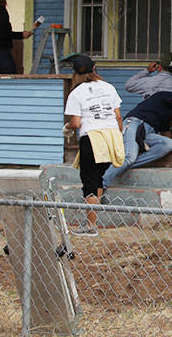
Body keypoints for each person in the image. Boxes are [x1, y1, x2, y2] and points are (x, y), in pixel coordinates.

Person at [63, 54, 123, 236]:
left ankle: (91, 226)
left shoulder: (76, 93)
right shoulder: (109, 87)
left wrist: (66, 128)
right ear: (94, 68)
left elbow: (75, 122)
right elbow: (118, 116)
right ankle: (94, 219)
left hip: (92, 138)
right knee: (97, 177)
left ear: (74, 73)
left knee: (89, 181)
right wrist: (117, 135)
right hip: (111, 136)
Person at [101, 88, 172, 188]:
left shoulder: (166, 117)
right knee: (129, 157)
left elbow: (168, 137)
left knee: (167, 144)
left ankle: (121, 166)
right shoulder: (163, 96)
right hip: (134, 123)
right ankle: (101, 184)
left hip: (146, 133)